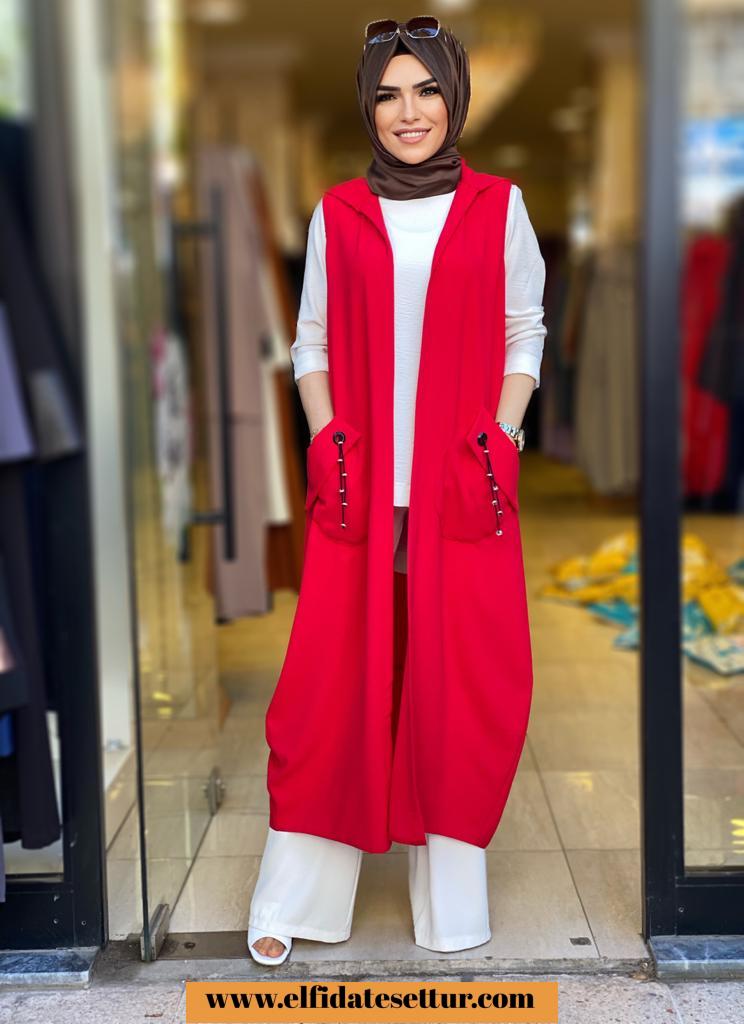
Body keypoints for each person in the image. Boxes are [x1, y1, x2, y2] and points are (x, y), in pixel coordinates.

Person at [247, 16, 546, 966]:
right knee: (330, 685)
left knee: (460, 688)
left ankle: (450, 908)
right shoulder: (338, 213)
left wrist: (501, 434)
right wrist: (327, 435)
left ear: (453, 101)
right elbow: (311, 340)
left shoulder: (500, 206)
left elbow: (526, 328)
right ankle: (296, 900)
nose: (407, 112)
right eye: (387, 94)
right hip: (359, 488)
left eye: (425, 91)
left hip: (465, 484)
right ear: (367, 107)